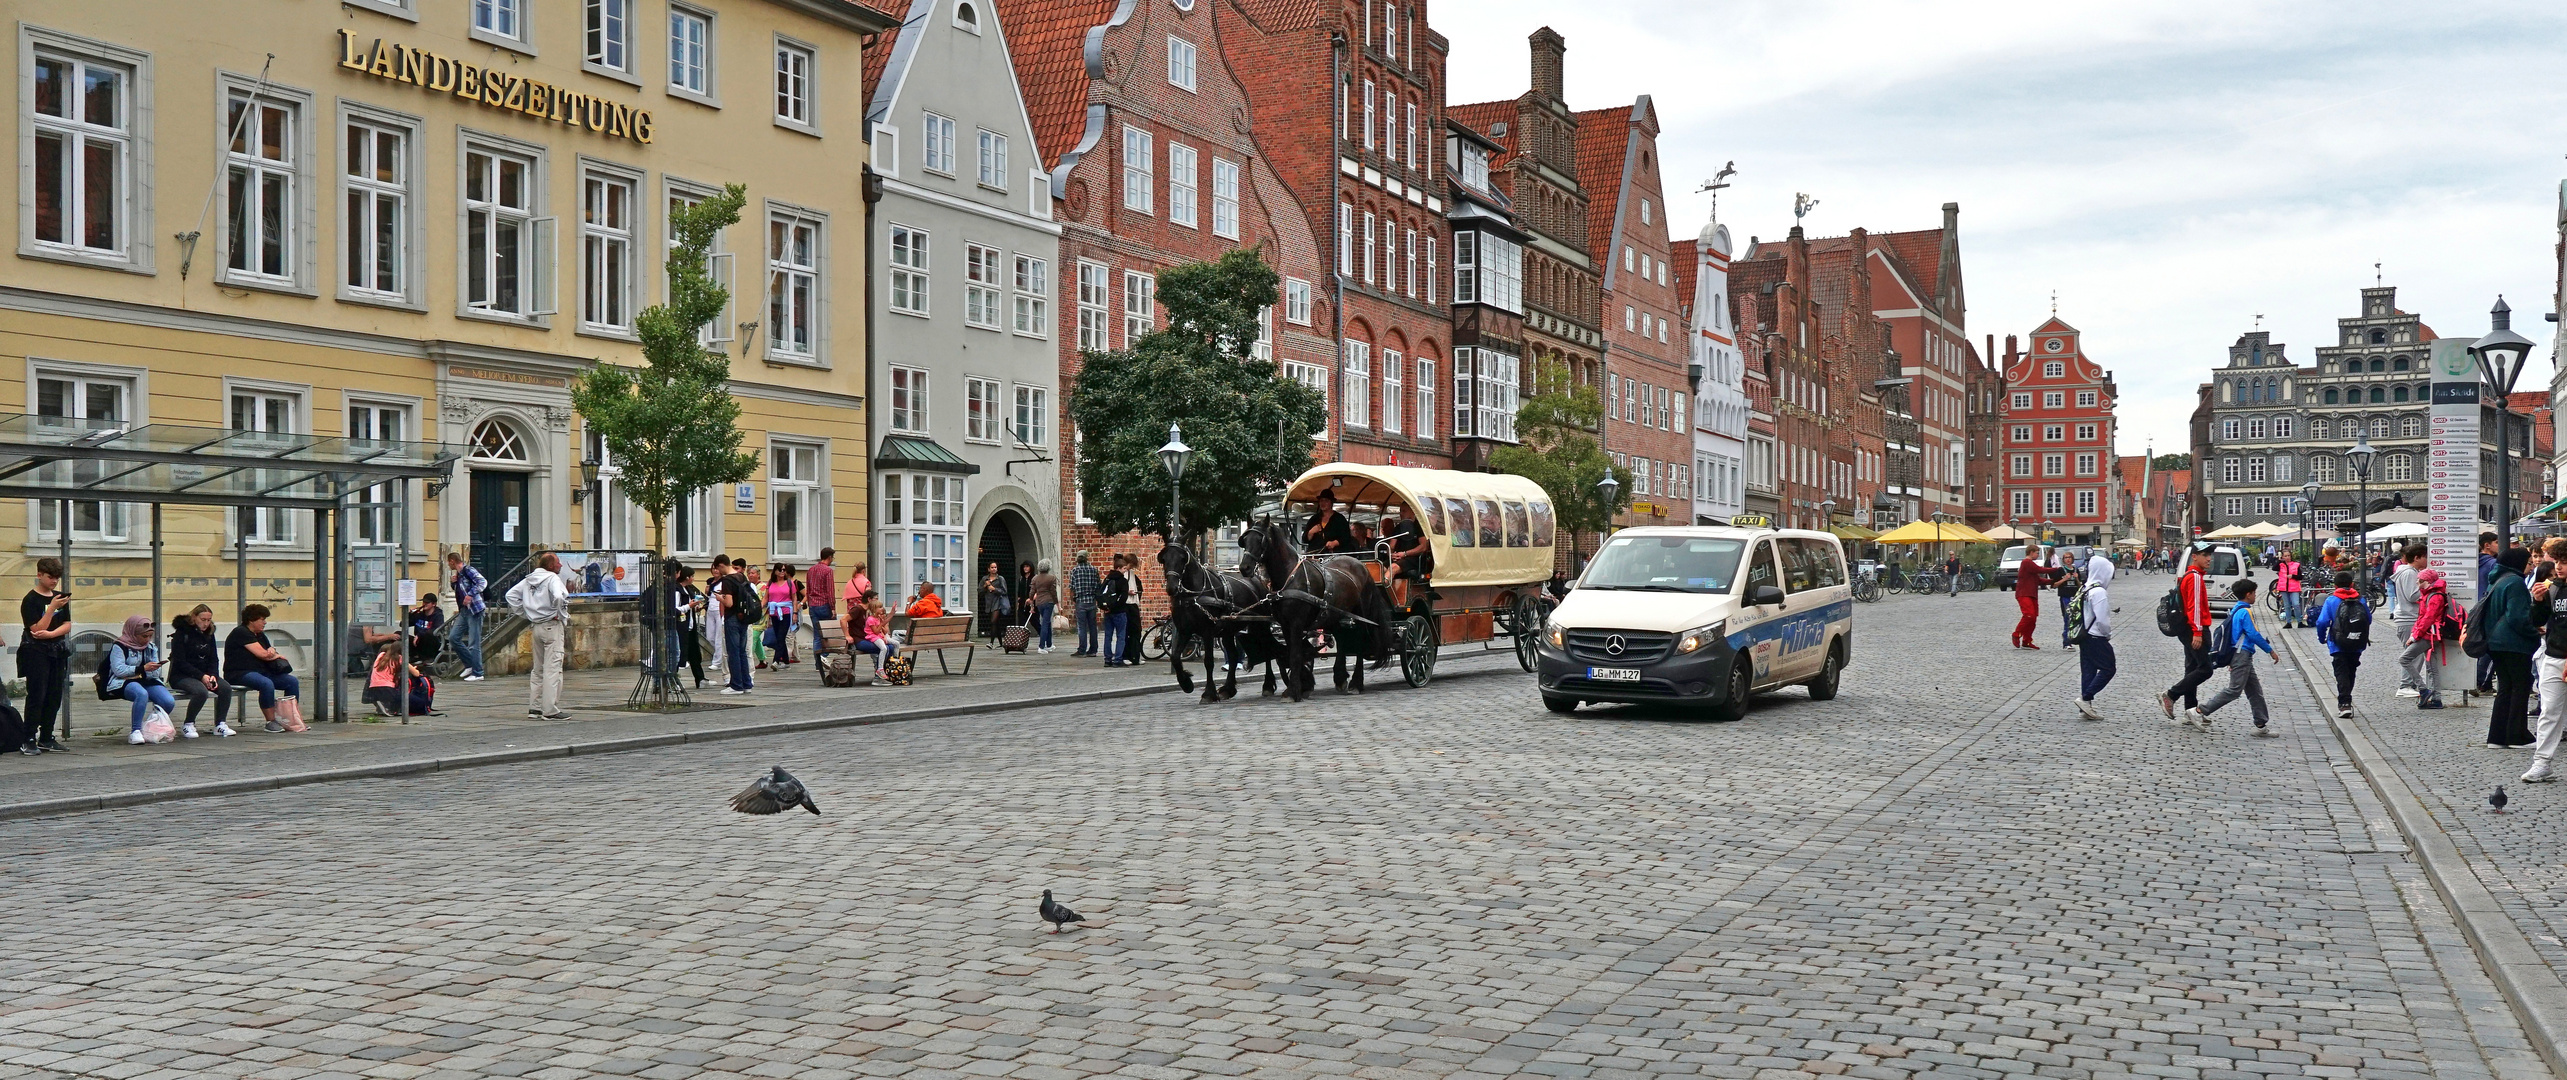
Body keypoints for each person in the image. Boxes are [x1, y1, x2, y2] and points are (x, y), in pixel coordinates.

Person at [2190, 579, 2276, 735]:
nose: (2255, 595)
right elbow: (2253, 634)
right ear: (2248, 594)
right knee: (2235, 690)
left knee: (2255, 690)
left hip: (2240, 655)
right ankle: (2199, 711)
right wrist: (2269, 650)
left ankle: (2261, 724)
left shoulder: (2236, 609)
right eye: (2254, 593)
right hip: (2242, 654)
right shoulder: (2245, 611)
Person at [2479, 546, 2538, 749]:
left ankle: (2497, 737)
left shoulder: (2498, 580)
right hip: (2514, 643)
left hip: (2495, 643)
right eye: (2528, 562)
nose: (2530, 567)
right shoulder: (2515, 582)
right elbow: (2517, 617)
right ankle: (2517, 736)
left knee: (2505, 688)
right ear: (2518, 563)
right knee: (2520, 687)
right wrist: (2534, 634)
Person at [506, 551, 573, 719]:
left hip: (536, 626)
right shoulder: (552, 579)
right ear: (550, 565)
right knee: (553, 669)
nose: (561, 565)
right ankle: (550, 709)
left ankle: (534, 708)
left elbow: (510, 595)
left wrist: (526, 612)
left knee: (538, 669)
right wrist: (558, 612)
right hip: (552, 625)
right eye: (558, 562)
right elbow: (558, 596)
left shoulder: (530, 580)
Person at [18, 557, 72, 753]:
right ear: (39, 575)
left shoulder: (59, 597)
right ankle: (28, 737)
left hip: (56, 650)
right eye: (51, 577)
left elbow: (67, 625)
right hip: (36, 652)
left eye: (57, 578)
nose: (54, 581)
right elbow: (36, 629)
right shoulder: (31, 600)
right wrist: (50, 609)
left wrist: (51, 634)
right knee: (37, 694)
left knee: (54, 694)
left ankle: (47, 736)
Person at [2524, 540, 2567, 782]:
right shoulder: (2554, 587)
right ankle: (2542, 763)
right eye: (2557, 562)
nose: (2558, 567)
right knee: (2549, 711)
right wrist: (2537, 602)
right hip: (2553, 656)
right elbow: (2539, 620)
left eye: (2563, 562)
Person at [225, 604, 302, 731]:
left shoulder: (259, 634)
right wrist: (273, 654)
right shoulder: (241, 632)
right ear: (251, 620)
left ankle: (290, 719)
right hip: (240, 673)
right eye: (262, 619)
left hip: (262, 671)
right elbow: (263, 654)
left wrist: (271, 652)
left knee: (291, 681)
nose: (265, 622)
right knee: (266, 684)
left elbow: (269, 651)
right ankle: (270, 721)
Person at [2160, 545, 2216, 718]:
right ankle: (2171, 695)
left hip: (2186, 628)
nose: (2209, 559)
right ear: (2194, 557)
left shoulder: (2188, 576)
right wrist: (2198, 632)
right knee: (2205, 669)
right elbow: (2195, 607)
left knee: (2192, 668)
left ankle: (2190, 710)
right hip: (2194, 629)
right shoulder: (2195, 578)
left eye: (2209, 555)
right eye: (2205, 555)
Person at [103, 615, 175, 745]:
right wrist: (142, 669)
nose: (147, 640)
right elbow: (118, 670)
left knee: (168, 701)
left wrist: (153, 669)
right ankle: (135, 731)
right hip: (124, 681)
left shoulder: (151, 647)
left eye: (149, 636)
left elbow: (156, 673)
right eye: (143, 636)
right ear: (133, 634)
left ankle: (150, 726)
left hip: (147, 679)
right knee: (141, 694)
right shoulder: (119, 646)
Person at [168, 605, 235, 738]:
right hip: (182, 675)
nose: (205, 623)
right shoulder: (182, 633)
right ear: (194, 618)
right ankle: (189, 723)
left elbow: (213, 659)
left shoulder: (209, 634)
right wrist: (201, 676)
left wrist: (213, 676)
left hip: (205, 674)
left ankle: (220, 723)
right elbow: (180, 661)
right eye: (203, 619)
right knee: (200, 691)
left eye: (208, 620)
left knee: (225, 688)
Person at [2313, 571, 2370, 720]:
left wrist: (2322, 637)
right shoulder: (2361, 599)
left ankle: (2344, 703)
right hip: (2357, 642)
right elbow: (2368, 619)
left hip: (2338, 642)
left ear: (2335, 585)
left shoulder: (2332, 600)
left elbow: (2322, 622)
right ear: (2352, 584)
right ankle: (2346, 699)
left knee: (2341, 672)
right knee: (2351, 670)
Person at [2403, 567, 2455, 711]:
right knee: (2432, 668)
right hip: (2431, 635)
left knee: (2404, 659)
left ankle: (2423, 689)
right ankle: (2436, 699)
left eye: (2419, 580)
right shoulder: (2431, 594)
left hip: (2429, 636)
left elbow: (2427, 618)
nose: (2417, 583)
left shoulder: (2434, 596)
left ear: (2426, 581)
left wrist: (2415, 636)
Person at [2074, 551, 2115, 720]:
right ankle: (2086, 697)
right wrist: (2107, 634)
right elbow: (2103, 620)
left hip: (2084, 635)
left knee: (2088, 669)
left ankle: (2086, 706)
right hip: (2097, 636)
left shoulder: (2085, 587)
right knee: (2108, 668)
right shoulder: (2099, 592)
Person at [2386, 545, 2426, 694]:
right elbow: (2413, 596)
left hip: (2406, 617)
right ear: (2417, 558)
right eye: (2425, 557)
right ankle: (2406, 686)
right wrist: (2427, 589)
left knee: (2413, 653)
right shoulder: (2409, 573)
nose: (2427, 560)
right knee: (2413, 654)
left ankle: (2409, 685)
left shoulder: (2406, 571)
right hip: (2409, 618)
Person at [447, 551, 489, 682]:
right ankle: (470, 664)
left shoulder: (469, 570)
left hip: (475, 609)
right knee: (453, 637)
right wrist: (453, 583)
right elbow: (460, 590)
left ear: (453, 561)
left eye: (449, 562)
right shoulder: (459, 574)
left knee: (473, 642)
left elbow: (482, 582)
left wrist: (470, 595)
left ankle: (478, 673)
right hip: (464, 611)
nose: (448, 565)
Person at [716, 560, 756, 695]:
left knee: (733, 652)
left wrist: (719, 598)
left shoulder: (727, 580)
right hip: (744, 617)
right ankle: (747, 684)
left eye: (718, 569)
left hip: (732, 618)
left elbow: (729, 603)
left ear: (721, 566)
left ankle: (736, 685)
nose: (718, 572)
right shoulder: (741, 577)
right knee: (742, 652)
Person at [1383, 513, 1434, 609]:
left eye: (1405, 511)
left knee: (1392, 568)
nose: (1403, 514)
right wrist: (1392, 554)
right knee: (1380, 568)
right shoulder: (1398, 528)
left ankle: (1382, 596)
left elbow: (1423, 547)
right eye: (1401, 511)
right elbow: (1391, 546)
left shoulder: (1419, 527)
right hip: (1398, 558)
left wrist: (1405, 554)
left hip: (1413, 559)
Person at [2011, 546, 2058, 649]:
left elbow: (2038, 580)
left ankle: (2027, 640)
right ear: (2031, 552)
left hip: (2031, 594)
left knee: (2033, 618)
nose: (2038, 555)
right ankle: (2016, 634)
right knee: (2029, 615)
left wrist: (2053, 581)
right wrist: (2055, 569)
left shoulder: (2030, 565)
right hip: (2024, 593)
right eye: (2037, 553)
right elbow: (2040, 569)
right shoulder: (2026, 562)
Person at [2476, 532, 2501, 697]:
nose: (2499, 545)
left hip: (2477, 607)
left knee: (2481, 645)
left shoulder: (2474, 562)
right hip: (2489, 608)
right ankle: (2481, 682)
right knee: (2491, 648)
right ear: (2487, 545)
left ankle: (2478, 680)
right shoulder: (2493, 564)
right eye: (2496, 542)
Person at [675, 567, 709, 688]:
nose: (694, 579)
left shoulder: (688, 589)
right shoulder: (677, 590)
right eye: (692, 576)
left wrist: (695, 607)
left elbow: (688, 607)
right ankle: (675, 680)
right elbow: (676, 609)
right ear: (687, 577)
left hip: (690, 625)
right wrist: (689, 606)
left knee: (694, 653)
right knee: (679, 654)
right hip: (681, 626)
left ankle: (700, 678)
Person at [763, 564, 800, 668]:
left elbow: (794, 599)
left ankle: (776, 660)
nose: (782, 572)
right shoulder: (770, 583)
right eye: (780, 570)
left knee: (781, 636)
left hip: (786, 612)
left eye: (784, 570)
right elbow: (766, 597)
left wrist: (795, 613)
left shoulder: (789, 583)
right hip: (774, 612)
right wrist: (759, 607)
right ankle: (786, 661)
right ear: (775, 571)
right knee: (779, 636)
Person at [1098, 553, 1132, 666]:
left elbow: (1099, 593)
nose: (1125, 571)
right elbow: (1123, 597)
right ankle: (1118, 659)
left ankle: (1107, 659)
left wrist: (1104, 607)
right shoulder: (1122, 581)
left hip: (1107, 612)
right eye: (1124, 569)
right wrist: (1114, 607)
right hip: (1119, 612)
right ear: (1118, 568)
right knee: (1121, 636)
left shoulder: (1107, 579)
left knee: (1108, 636)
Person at [806, 548, 838, 658]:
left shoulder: (811, 570)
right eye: (832, 557)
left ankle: (818, 662)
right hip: (824, 605)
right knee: (827, 633)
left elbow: (808, 589)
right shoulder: (828, 571)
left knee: (817, 634)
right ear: (829, 557)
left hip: (813, 605)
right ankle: (824, 657)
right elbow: (830, 591)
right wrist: (833, 607)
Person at [704, 555, 732, 675]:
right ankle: (719, 655)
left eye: (717, 568)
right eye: (713, 569)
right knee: (710, 636)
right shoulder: (710, 581)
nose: (715, 571)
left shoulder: (724, 581)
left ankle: (717, 661)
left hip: (719, 608)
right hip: (710, 608)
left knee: (718, 637)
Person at [1069, 552, 1102, 657]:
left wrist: (1073, 599)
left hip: (1081, 601)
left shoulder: (1075, 570)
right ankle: (1093, 650)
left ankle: (1082, 649)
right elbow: (1098, 586)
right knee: (1092, 626)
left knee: (1082, 627)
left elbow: (1072, 587)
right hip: (1092, 600)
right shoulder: (1093, 570)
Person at [1120, 554, 1147, 665]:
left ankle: (1134, 655)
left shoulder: (1131, 574)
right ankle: (1127, 655)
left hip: (1133, 603)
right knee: (1128, 631)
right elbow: (1120, 588)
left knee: (1135, 631)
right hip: (1128, 604)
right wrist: (1128, 592)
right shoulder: (1124, 574)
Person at [1029, 560, 1060, 653]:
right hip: (1049, 602)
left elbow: (1031, 593)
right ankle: (1041, 646)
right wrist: (1057, 604)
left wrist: (1032, 606)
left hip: (1039, 603)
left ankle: (1049, 644)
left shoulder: (1035, 578)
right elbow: (1053, 592)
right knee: (1045, 623)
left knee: (1047, 622)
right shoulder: (1051, 578)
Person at [405, 593, 445, 663]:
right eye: (423, 602)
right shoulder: (419, 615)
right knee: (398, 634)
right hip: (419, 643)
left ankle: (428, 658)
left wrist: (419, 635)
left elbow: (436, 630)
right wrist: (410, 614)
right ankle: (415, 656)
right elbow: (403, 624)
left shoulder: (438, 616)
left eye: (427, 602)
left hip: (432, 644)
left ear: (434, 604)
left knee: (429, 634)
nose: (424, 604)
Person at [980, 562, 1010, 646]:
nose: (994, 569)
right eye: (992, 567)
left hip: (998, 603)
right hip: (989, 603)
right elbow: (980, 591)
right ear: (988, 569)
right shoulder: (984, 579)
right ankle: (1001, 643)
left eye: (995, 567)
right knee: (996, 623)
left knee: (993, 621)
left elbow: (1004, 591)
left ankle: (991, 642)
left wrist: (994, 589)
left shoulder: (1000, 579)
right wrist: (985, 586)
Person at [2274, 551, 2306, 628]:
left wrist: (2293, 576)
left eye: (2288, 555)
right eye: (2285, 556)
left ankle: (2299, 621)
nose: (2287, 557)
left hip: (2294, 587)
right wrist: (2279, 560)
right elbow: (2274, 568)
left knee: (2296, 604)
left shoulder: (2296, 565)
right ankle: (2288, 622)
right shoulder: (2280, 565)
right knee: (2287, 605)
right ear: (2283, 557)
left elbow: (2300, 577)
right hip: (2283, 588)